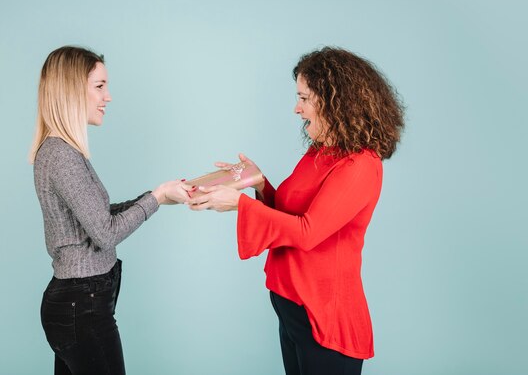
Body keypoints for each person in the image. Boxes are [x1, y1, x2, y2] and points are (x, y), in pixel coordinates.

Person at [190, 47, 405, 375]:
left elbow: (308, 232)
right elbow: (290, 213)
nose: (297, 108)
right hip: (292, 306)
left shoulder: (360, 166)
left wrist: (240, 205)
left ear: (335, 101)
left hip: (324, 317)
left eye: (304, 98)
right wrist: (259, 184)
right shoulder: (322, 151)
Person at [30, 46, 191, 375]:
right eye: (100, 86)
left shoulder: (61, 150)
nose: (108, 97)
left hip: (78, 303)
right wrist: (156, 199)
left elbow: (96, 217)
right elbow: (105, 233)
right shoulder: (62, 155)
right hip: (82, 306)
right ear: (73, 89)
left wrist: (155, 196)